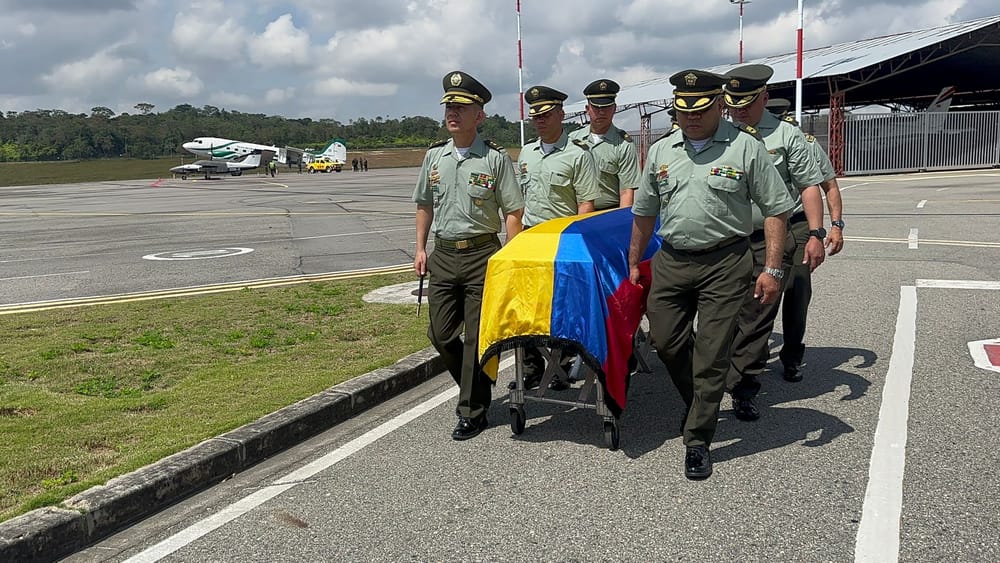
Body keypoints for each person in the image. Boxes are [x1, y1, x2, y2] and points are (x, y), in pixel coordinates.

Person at [628, 69, 795, 479]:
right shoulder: (663, 151)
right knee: (666, 340)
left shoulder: (745, 148)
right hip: (672, 260)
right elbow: (644, 212)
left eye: (699, 110)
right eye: (683, 111)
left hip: (725, 262)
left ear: (719, 105)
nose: (691, 118)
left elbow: (776, 208)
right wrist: (633, 260)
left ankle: (698, 437)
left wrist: (772, 267)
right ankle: (700, 398)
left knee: (712, 351)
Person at [412, 71, 525, 441]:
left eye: (461, 107)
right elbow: (424, 205)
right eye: (449, 106)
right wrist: (419, 248)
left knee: (476, 339)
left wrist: (509, 256)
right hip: (443, 255)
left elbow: (513, 211)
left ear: (480, 115)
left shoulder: (495, 159)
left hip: (482, 256)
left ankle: (472, 411)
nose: (453, 113)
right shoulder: (434, 158)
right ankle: (479, 383)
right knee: (441, 335)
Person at [723, 64, 826, 421]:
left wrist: (816, 233)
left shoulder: (786, 136)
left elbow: (810, 186)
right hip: (728, 238)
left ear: (764, 98)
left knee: (760, 310)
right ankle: (729, 369)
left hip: (776, 235)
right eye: (733, 104)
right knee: (730, 311)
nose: (739, 110)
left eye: (747, 104)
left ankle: (744, 387)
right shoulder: (722, 134)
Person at [516, 85, 600, 391]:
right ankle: (532, 368)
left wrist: (578, 248)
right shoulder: (526, 153)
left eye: (546, 114)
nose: (540, 120)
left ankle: (561, 366)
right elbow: (521, 200)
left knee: (562, 309)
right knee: (528, 308)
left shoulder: (578, 155)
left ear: (561, 115)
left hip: (562, 240)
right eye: (535, 115)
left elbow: (586, 206)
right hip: (531, 238)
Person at [568, 79, 641, 210]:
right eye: (596, 107)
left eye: (606, 107)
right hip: (575, 212)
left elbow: (626, 192)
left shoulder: (623, 144)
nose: (601, 112)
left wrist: (621, 223)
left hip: (606, 214)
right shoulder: (572, 140)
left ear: (614, 109)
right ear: (587, 109)